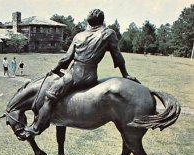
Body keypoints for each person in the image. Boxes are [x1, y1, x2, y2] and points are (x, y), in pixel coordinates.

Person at [24, 9, 140, 138]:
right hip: (91, 77)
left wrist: (55, 69)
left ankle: (35, 128)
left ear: (88, 21)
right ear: (102, 20)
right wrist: (125, 74)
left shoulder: (79, 36)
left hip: (75, 76)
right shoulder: (109, 33)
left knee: (49, 96)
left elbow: (66, 59)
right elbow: (117, 56)